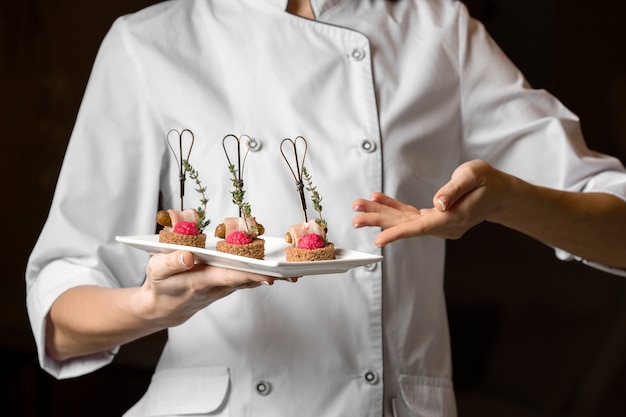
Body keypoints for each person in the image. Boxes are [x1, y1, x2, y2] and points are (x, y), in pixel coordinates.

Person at [25, 0, 626, 416]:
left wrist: (507, 200)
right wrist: (152, 304)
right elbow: (61, 316)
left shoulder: (437, 31)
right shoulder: (150, 42)